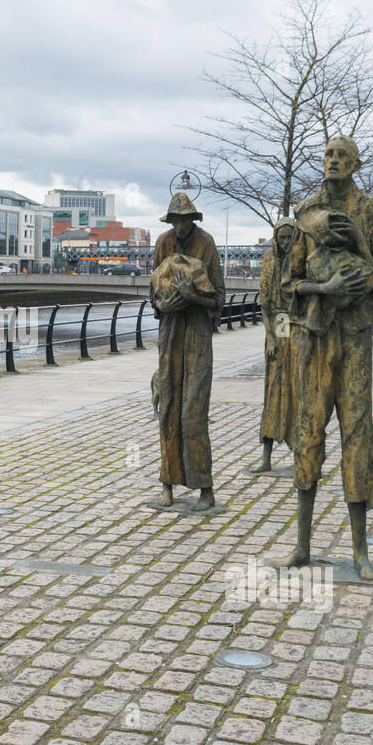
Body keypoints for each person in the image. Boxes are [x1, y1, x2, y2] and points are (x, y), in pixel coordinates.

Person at [279, 135, 373, 580]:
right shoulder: (307, 216)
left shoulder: (371, 212)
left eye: (343, 156)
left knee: (357, 435)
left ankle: (361, 553)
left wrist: (360, 246)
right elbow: (289, 286)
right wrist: (324, 290)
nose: (334, 161)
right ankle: (302, 545)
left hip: (356, 340)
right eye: (328, 154)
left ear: (356, 163)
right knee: (308, 433)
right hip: (315, 338)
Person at [148, 192, 224, 512]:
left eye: (185, 220)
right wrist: (163, 304)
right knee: (168, 410)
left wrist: (194, 297)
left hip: (197, 336)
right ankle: (167, 485)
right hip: (170, 336)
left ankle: (205, 488)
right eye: (175, 220)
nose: (180, 226)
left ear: (192, 220)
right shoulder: (163, 244)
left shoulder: (206, 244)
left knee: (193, 413)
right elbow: (153, 292)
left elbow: (218, 297)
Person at [250, 218, 297, 473]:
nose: (286, 242)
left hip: (297, 323)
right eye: (282, 238)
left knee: (296, 390)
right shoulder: (270, 259)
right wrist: (270, 336)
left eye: (290, 237)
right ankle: (266, 456)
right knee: (274, 389)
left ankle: (302, 455)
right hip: (279, 322)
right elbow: (265, 303)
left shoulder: (300, 257)